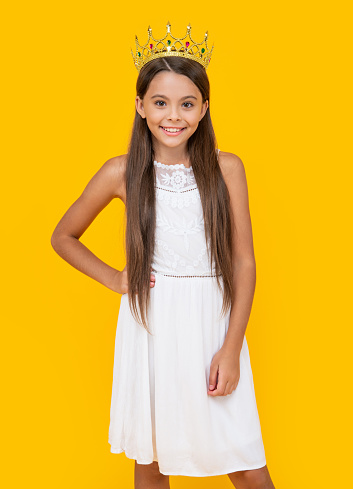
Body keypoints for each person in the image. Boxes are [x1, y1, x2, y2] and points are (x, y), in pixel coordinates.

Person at [51, 22, 276, 489]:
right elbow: (64, 236)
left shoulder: (226, 168)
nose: (173, 116)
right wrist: (116, 278)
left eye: (186, 103)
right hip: (151, 327)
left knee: (244, 460)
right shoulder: (120, 173)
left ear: (204, 108)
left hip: (212, 323)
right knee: (151, 457)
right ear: (140, 107)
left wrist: (231, 347)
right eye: (160, 102)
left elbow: (244, 263)